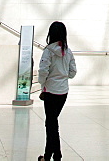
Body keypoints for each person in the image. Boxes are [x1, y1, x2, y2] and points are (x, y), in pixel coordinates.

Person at [37, 21, 76, 161]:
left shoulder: (48, 51)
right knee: (52, 123)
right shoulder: (68, 51)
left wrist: (42, 83)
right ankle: (49, 155)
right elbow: (73, 72)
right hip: (63, 92)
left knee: (51, 124)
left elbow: (43, 71)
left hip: (50, 92)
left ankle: (55, 155)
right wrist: (63, 76)